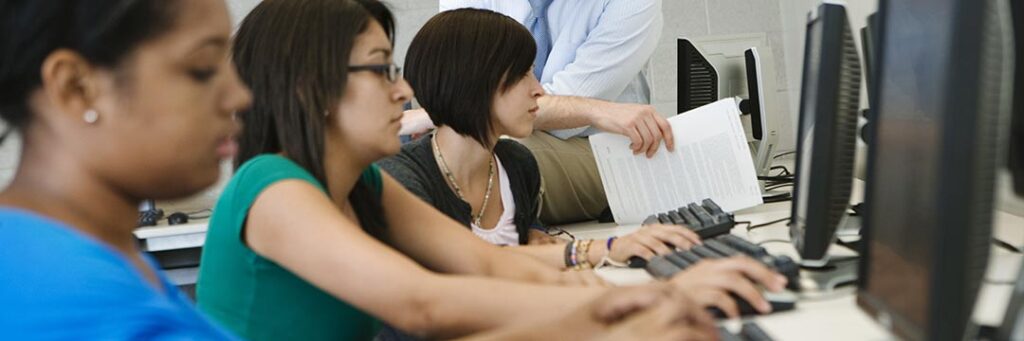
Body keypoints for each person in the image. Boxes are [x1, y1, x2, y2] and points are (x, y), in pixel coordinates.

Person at [195, 0, 743, 340]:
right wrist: (616, 308)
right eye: (381, 70)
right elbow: (422, 304)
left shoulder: (363, 184)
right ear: (308, 88)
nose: (404, 91)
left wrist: (637, 292)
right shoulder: (273, 188)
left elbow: (487, 264)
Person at [0, 0, 251, 338]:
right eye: (202, 68)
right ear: (77, 87)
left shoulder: (95, 253)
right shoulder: (76, 305)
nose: (239, 97)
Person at [382, 8, 700, 269]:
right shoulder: (401, 179)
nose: (539, 89)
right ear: (471, 82)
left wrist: (537, 235)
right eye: (524, 75)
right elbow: (465, 266)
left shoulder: (517, 166)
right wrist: (599, 249)